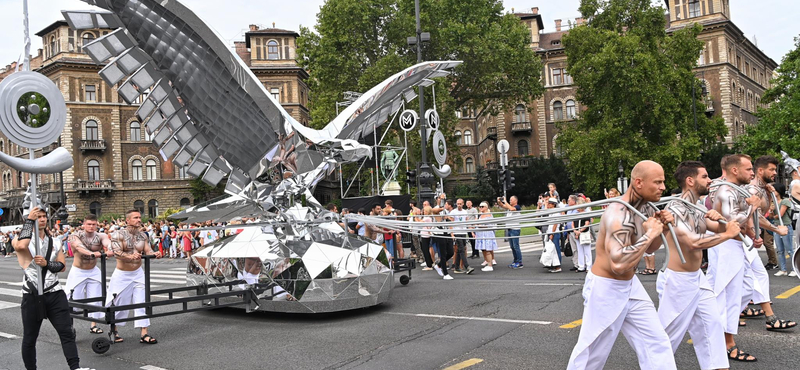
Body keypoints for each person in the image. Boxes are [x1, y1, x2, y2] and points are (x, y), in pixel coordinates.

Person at [567, 160, 676, 370]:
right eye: (658, 182)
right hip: (606, 287)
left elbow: (650, 249)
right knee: (591, 354)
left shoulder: (643, 208)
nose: (663, 187)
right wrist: (652, 233)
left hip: (630, 285)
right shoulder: (618, 214)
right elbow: (618, 264)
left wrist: (663, 229)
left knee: (656, 342)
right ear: (638, 183)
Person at [658, 161, 740, 369]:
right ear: (690, 180)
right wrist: (727, 233)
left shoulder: (698, 207)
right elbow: (693, 243)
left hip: (697, 279)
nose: (710, 180)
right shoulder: (675, 209)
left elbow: (722, 229)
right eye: (705, 176)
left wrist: (721, 220)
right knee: (665, 339)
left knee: (712, 326)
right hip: (677, 281)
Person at [13, 207, 94, 370]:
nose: (42, 219)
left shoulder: (55, 241)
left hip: (55, 292)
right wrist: (30, 219)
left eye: (44, 216)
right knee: (30, 338)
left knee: (66, 332)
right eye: (38, 217)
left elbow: (62, 266)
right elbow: (21, 247)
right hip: (32, 294)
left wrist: (47, 263)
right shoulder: (21, 239)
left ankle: (75, 367)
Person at [705, 154, 763, 362]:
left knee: (745, 289)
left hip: (735, 244)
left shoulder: (738, 190)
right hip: (725, 245)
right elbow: (732, 220)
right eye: (748, 169)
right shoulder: (726, 190)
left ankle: (716, 331)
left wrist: (753, 236)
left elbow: (743, 222)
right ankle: (727, 343)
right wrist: (753, 206)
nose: (752, 173)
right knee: (727, 295)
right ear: (735, 170)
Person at [742, 155, 795, 332]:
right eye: (771, 170)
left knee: (748, 278)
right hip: (739, 240)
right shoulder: (751, 190)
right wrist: (776, 229)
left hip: (746, 239)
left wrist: (770, 193)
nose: (774, 173)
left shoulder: (763, 189)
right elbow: (755, 216)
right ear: (760, 170)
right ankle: (769, 317)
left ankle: (746, 313)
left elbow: (765, 211)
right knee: (744, 279)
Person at [106, 210, 162, 344]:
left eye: (139, 217)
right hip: (122, 274)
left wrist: (155, 254)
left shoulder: (143, 235)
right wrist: (129, 256)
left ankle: (144, 333)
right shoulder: (118, 234)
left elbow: (147, 250)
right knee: (120, 303)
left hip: (138, 273)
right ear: (127, 220)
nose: (138, 219)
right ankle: (114, 330)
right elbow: (116, 252)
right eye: (135, 218)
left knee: (141, 302)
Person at [66, 214, 112, 334]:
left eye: (94, 224)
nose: (91, 226)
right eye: (89, 224)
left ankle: (93, 325)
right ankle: (69, 326)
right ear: (84, 225)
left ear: (97, 225)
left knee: (96, 299)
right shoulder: (76, 235)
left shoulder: (101, 235)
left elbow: (107, 242)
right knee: (73, 300)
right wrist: (91, 253)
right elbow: (78, 246)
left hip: (93, 271)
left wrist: (111, 249)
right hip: (78, 271)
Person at [772, 183, 796, 277]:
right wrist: (770, 211)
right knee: (780, 250)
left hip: (786, 226)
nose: (773, 191)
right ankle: (783, 269)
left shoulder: (785, 201)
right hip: (776, 227)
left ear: (779, 190)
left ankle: (795, 269)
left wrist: (773, 214)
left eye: (774, 190)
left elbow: (780, 215)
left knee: (789, 250)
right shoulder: (773, 202)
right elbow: (771, 216)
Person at [498, 195, 523, 269]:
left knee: (516, 246)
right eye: (509, 200)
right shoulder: (509, 207)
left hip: (515, 229)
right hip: (509, 229)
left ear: (516, 201)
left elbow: (512, 209)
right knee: (512, 247)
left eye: (511, 200)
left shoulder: (517, 207)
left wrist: (505, 201)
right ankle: (515, 261)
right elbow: (502, 206)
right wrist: (499, 201)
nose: (510, 201)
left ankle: (519, 262)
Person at [450, 199, 474, 274]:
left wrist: (472, 232)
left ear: (463, 204)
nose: (459, 205)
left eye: (460, 204)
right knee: (462, 249)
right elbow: (451, 223)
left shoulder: (464, 212)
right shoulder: (453, 212)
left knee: (460, 250)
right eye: (458, 204)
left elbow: (467, 222)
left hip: (463, 232)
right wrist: (452, 234)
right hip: (457, 233)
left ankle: (457, 267)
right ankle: (467, 266)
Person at [474, 202, 498, 271]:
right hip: (481, 234)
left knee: (488, 250)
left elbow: (489, 225)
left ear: (486, 207)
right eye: (480, 206)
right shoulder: (481, 215)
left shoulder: (488, 214)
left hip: (487, 233)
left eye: (482, 206)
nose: (481, 208)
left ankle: (490, 265)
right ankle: (487, 262)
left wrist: (479, 225)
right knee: (484, 249)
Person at [572, 198, 593, 273]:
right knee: (579, 250)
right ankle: (581, 266)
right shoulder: (575, 215)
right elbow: (573, 224)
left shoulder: (586, 214)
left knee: (587, 250)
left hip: (584, 233)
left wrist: (579, 231)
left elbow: (587, 224)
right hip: (577, 234)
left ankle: (589, 266)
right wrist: (575, 231)